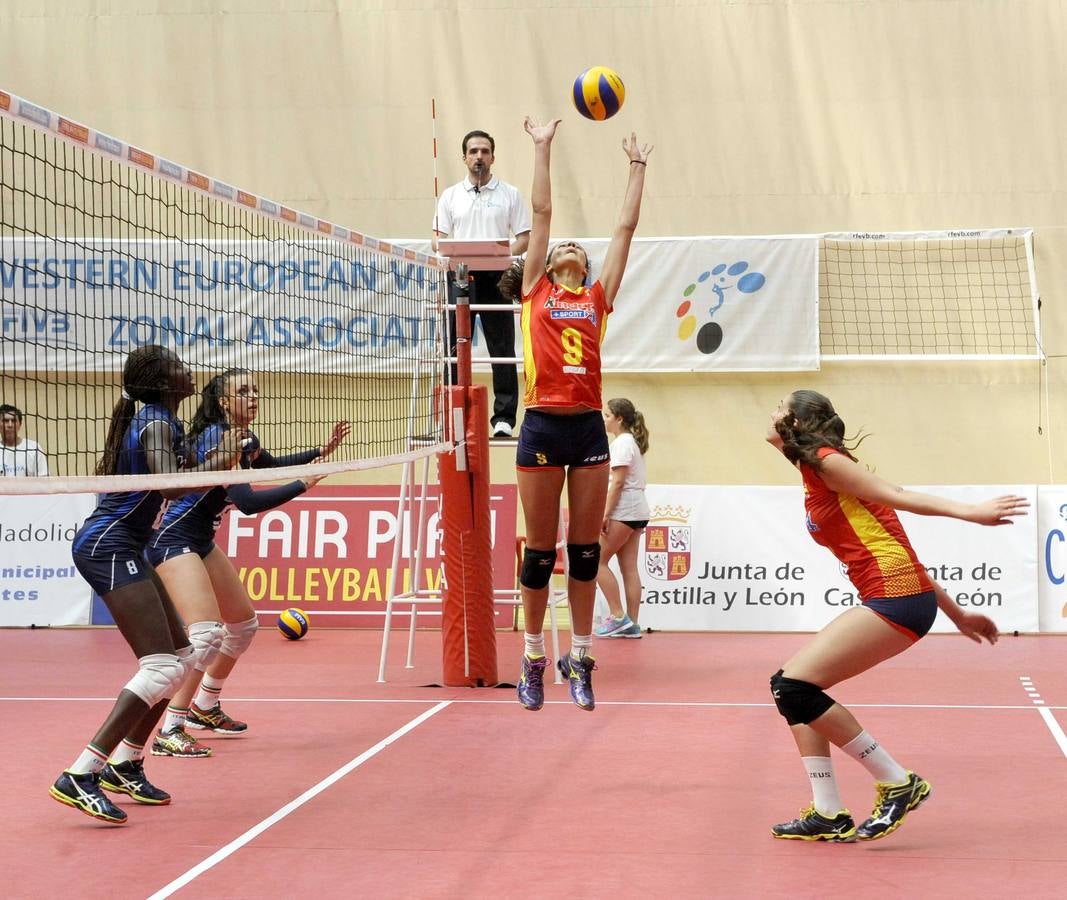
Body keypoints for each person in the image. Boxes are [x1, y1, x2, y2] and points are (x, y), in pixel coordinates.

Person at [765, 389, 1028, 842]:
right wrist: (958, 613)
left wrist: (971, 512)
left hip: (895, 593)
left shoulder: (829, 462)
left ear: (798, 423)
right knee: (794, 689)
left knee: (793, 686)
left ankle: (898, 782)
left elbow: (896, 493)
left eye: (780, 407)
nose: (771, 412)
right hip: (904, 590)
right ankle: (828, 812)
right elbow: (906, 553)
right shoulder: (815, 468)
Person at [50, 345, 244, 824]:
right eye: (179, 365)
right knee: (160, 666)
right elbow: (171, 485)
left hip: (128, 546)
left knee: (183, 657)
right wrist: (220, 459)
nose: (188, 370)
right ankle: (81, 772)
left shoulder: (165, 420)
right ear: (162, 381)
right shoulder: (156, 421)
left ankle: (127, 763)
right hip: (108, 546)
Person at [498, 117, 651, 711]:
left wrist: (637, 167)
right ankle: (534, 655)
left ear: (583, 266)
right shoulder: (534, 287)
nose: (564, 245)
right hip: (539, 424)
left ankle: (581, 656)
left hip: (586, 424)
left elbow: (625, 228)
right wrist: (541, 147)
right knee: (540, 552)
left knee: (585, 550)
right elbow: (540, 213)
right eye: (558, 244)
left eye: (572, 247)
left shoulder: (596, 298)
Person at [147, 368, 349, 757]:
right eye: (243, 391)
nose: (253, 396)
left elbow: (269, 465)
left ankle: (204, 707)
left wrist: (318, 453)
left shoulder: (243, 438)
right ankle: (170, 728)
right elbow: (249, 503)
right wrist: (304, 485)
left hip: (200, 541)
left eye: (255, 389)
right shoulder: (218, 439)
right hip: (173, 541)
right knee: (206, 635)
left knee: (242, 626)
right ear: (224, 401)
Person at [433, 129, 531, 438]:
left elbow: (524, 238)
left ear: (492, 156)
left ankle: (503, 418)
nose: (479, 156)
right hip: (460, 275)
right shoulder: (450, 195)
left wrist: (502, 255)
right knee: (453, 345)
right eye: (473, 151)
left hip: (497, 277)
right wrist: (450, 251)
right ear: (464, 157)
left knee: (501, 346)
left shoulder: (509, 194)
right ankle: (450, 413)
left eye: (484, 151)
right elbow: (439, 238)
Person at [594, 397, 650, 639]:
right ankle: (632, 624)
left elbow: (617, 483)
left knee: (595, 561)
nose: (603, 419)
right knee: (629, 568)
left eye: (607, 415)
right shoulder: (630, 443)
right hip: (636, 510)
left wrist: (605, 515)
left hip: (624, 510)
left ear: (619, 419)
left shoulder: (622, 444)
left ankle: (618, 617)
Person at [0, 403, 49, 476]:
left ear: (20, 424)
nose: (10, 425)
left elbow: (44, 481)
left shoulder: (34, 448)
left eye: (13, 421)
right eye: (5, 421)